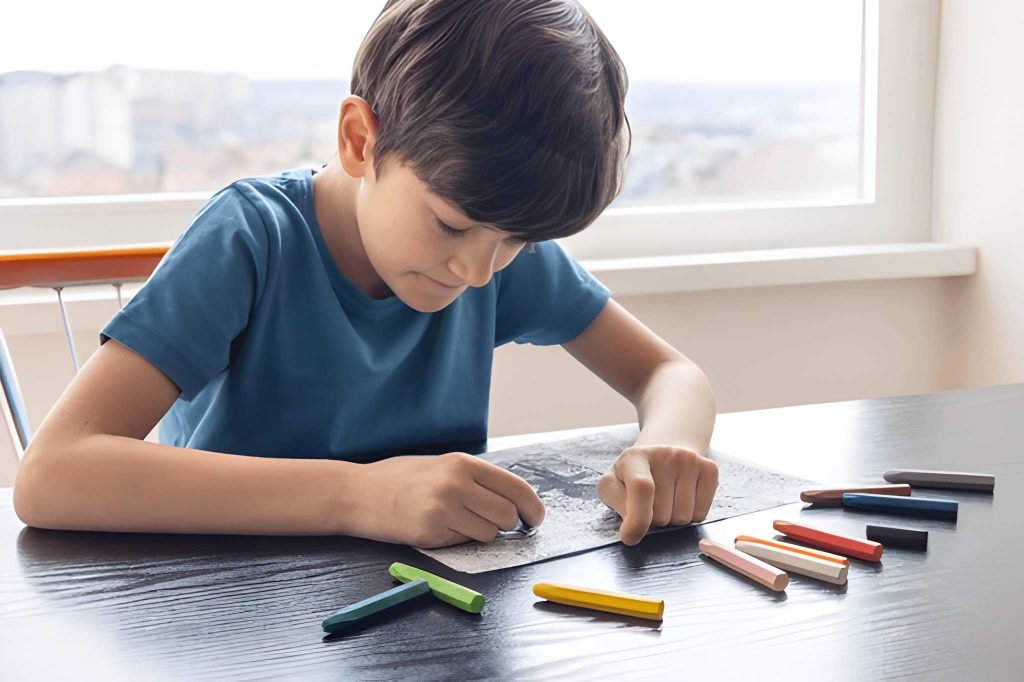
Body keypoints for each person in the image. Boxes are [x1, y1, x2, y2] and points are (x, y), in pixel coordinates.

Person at [13, 0, 716, 548]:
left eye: (516, 242)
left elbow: (670, 375)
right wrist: (360, 498)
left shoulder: (497, 250)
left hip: (424, 609)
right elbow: (52, 476)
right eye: (450, 222)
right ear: (360, 140)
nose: (478, 271)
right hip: (236, 617)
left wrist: (670, 445)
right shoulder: (250, 239)